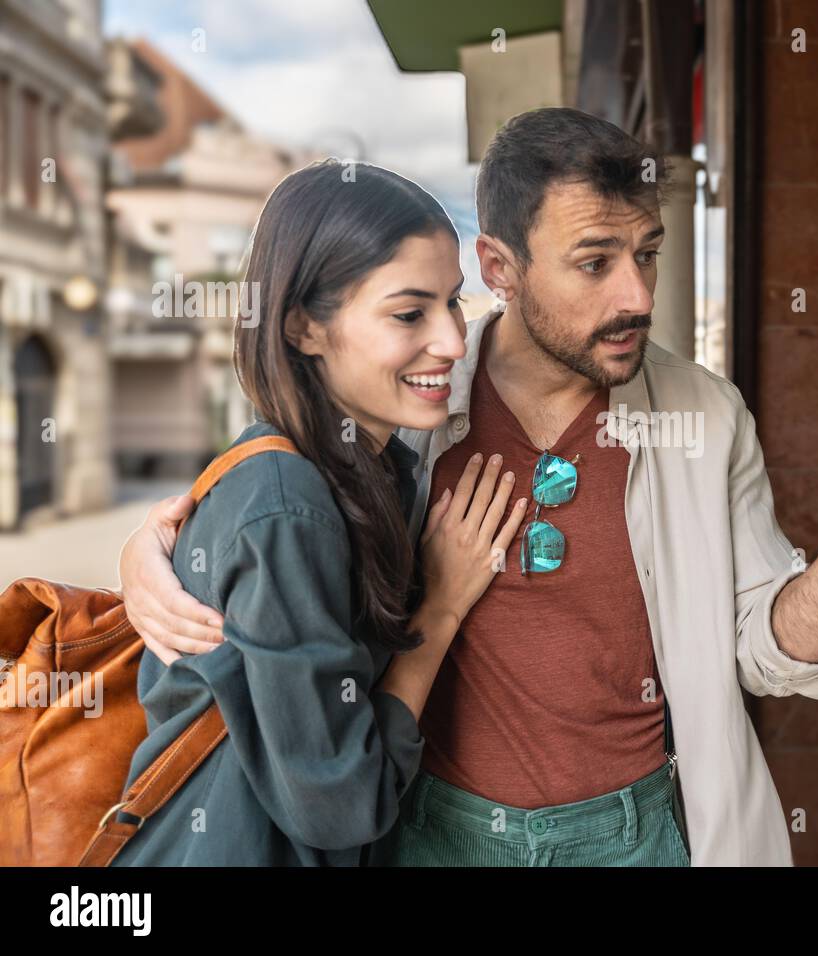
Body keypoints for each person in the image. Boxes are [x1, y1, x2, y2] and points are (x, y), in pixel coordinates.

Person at [119, 108, 818, 866]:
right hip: (427, 832)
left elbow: (765, 652)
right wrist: (148, 558)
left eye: (647, 253)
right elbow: (273, 547)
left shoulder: (706, 416)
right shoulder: (412, 408)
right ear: (501, 267)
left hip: (638, 836)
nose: (637, 296)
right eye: (594, 261)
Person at [110, 159, 527, 864]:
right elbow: (341, 806)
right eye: (408, 313)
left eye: (454, 303)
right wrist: (441, 610)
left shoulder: (368, 466)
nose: (453, 342)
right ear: (303, 326)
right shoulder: (286, 506)